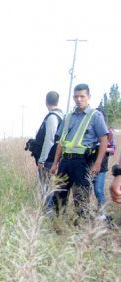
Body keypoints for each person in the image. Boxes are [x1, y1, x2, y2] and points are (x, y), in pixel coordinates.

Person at [49, 84, 110, 218]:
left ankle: (82, 228)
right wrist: (55, 163)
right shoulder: (68, 117)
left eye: (82, 96)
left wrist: (98, 163)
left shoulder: (95, 116)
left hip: (82, 162)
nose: (79, 99)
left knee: (81, 197)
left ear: (88, 97)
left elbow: (104, 140)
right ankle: (58, 225)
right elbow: (61, 142)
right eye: (76, 96)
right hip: (65, 162)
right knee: (59, 194)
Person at [34, 91, 63, 206]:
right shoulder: (61, 116)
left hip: (48, 160)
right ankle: (48, 212)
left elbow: (49, 140)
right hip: (52, 158)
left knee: (47, 188)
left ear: (46, 102)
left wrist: (42, 160)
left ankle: (47, 214)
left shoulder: (52, 117)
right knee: (49, 187)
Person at [91, 108, 115, 211]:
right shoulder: (91, 130)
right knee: (85, 190)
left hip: (102, 166)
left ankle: (102, 213)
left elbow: (113, 149)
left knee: (98, 190)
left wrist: (102, 147)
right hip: (88, 163)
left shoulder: (109, 132)